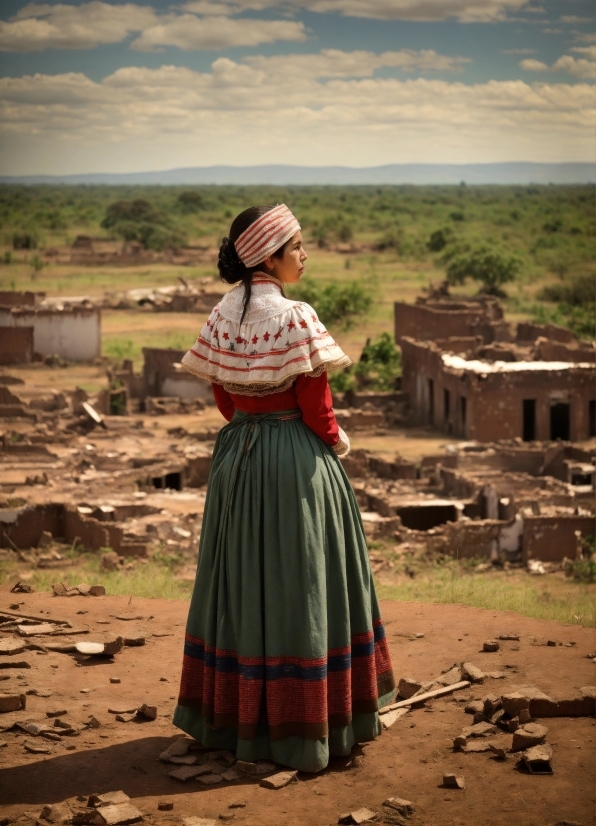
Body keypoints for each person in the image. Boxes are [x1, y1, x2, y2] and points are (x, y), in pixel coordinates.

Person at [173, 204, 395, 773]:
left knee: (240, 578)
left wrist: (250, 419)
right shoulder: (296, 317)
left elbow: (224, 398)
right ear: (269, 255)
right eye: (297, 246)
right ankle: (311, 725)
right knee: (306, 582)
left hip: (238, 462)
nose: (304, 254)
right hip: (293, 461)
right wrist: (336, 444)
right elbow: (317, 408)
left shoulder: (223, 312)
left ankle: (236, 719)